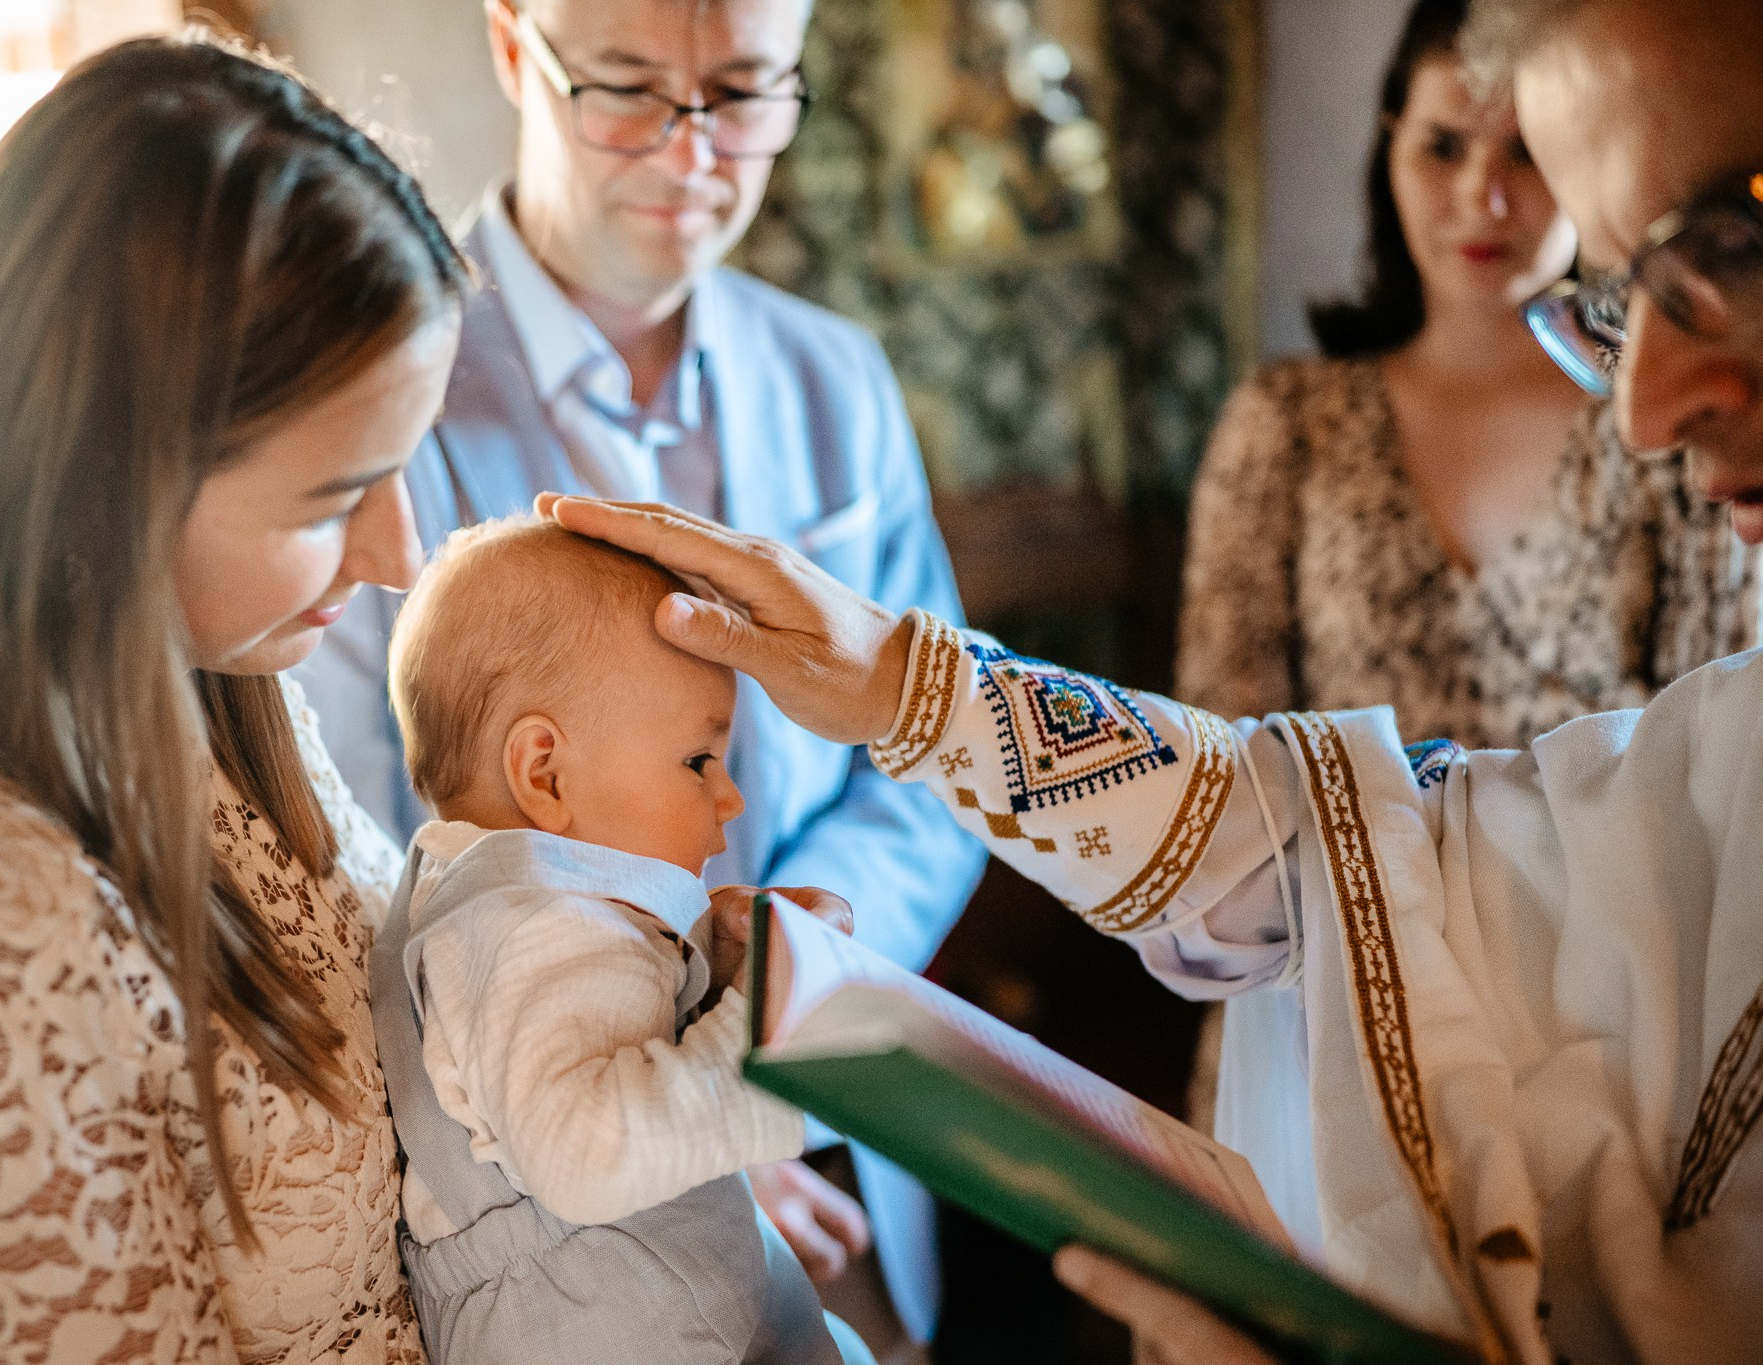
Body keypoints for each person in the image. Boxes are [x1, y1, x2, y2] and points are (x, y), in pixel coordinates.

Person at [535, 0, 1763, 1346]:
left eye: (1727, 257)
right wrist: (909, 690)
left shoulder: (830, 375)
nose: (1647, 411)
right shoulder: (1304, 426)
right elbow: (1381, 851)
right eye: (1615, 308)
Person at [0, 35, 466, 1361]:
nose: (399, 556)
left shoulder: (211, 677)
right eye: (331, 499)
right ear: (112, 472)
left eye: (402, 466)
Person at [293, 0, 985, 1349]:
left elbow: (927, 765)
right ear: (513, 49)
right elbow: (367, 825)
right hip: (567, 1196)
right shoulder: (389, 391)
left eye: (741, 93)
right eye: (625, 88)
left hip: (847, 1161)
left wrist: (794, 984)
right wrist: (695, 1123)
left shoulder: (837, 377)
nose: (690, 155)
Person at [1179, 0, 1754, 751]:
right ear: (1389, 150)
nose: (1483, 198)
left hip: (1618, 871)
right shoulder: (1285, 425)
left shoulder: (1690, 431)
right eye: (1444, 147)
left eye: (1524, 153)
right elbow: (1225, 765)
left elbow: (1716, 764)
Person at [371, 515, 871, 1363]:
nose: (730, 797)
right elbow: (590, 1150)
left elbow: (619, 1055)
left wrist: (721, 975)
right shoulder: (533, 929)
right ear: (546, 774)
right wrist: (766, 1021)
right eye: (697, 761)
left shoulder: (541, 918)